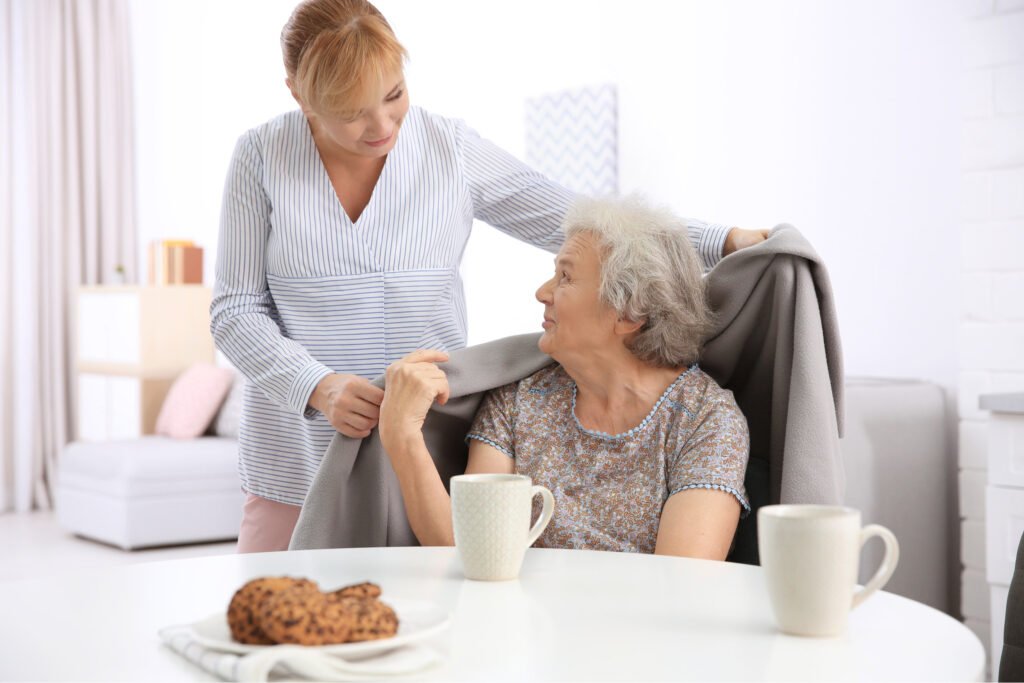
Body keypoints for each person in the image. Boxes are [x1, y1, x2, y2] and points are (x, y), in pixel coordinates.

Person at [211, 0, 764, 553]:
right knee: (273, 624)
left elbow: (571, 216)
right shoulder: (261, 157)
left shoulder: (449, 150)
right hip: (296, 450)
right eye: (352, 112)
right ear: (299, 96)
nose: (382, 126)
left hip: (418, 448)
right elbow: (234, 311)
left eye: (394, 95)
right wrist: (318, 387)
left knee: (415, 627)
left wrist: (722, 240)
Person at [377, 196, 750, 559]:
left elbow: (682, 582)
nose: (542, 293)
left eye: (565, 277)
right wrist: (403, 437)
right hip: (518, 620)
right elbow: (470, 553)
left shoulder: (706, 419)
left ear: (628, 314)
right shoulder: (519, 399)